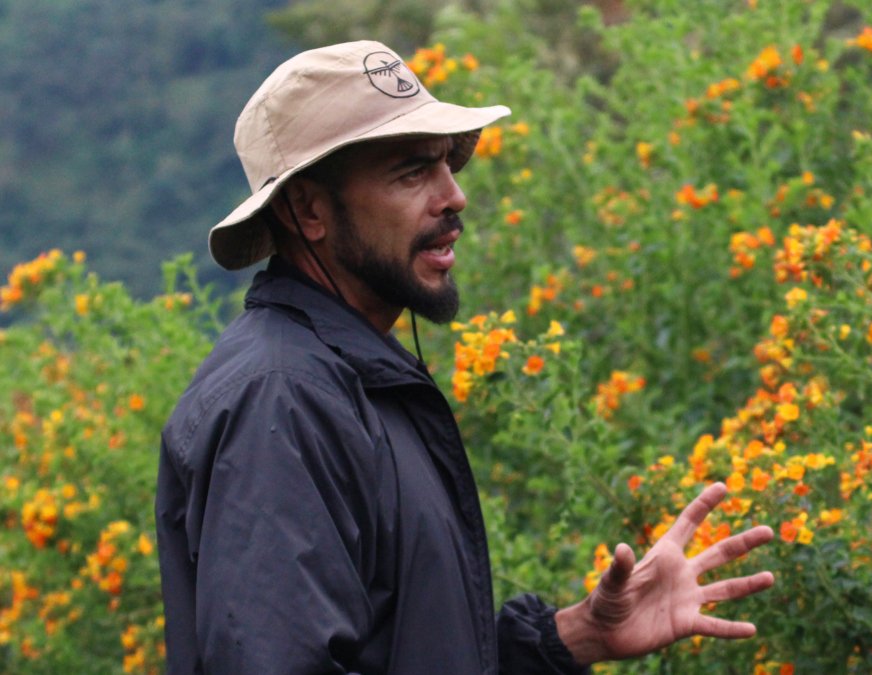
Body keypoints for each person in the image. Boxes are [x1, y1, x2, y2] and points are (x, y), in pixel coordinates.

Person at [155, 40, 775, 674]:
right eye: (411, 172)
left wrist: (572, 638)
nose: (454, 196)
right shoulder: (282, 400)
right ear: (308, 210)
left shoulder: (352, 378)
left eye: (446, 164)